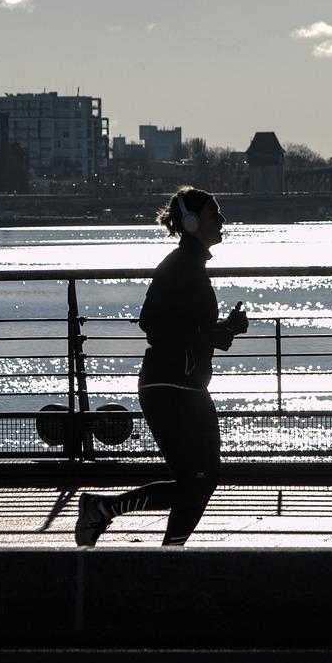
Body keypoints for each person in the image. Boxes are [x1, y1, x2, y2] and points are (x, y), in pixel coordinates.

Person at [75, 186, 246, 547]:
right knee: (199, 478)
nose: (223, 220)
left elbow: (188, 329)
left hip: (180, 385)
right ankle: (147, 537)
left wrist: (224, 329)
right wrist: (208, 334)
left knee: (200, 478)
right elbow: (152, 322)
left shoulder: (190, 265)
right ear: (192, 221)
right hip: (171, 386)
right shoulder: (180, 265)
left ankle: (118, 519)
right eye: (216, 213)